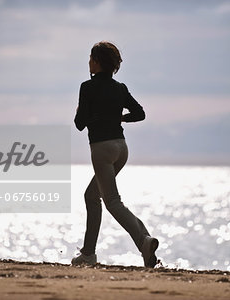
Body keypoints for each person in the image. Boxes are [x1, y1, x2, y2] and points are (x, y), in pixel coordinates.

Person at [72, 41, 159, 268]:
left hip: (101, 149)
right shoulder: (120, 88)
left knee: (112, 201)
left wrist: (88, 113)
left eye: (91, 58)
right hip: (121, 148)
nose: (89, 62)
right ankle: (88, 253)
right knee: (92, 196)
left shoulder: (87, 87)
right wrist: (120, 118)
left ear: (98, 62)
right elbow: (139, 114)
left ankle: (143, 241)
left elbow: (79, 124)